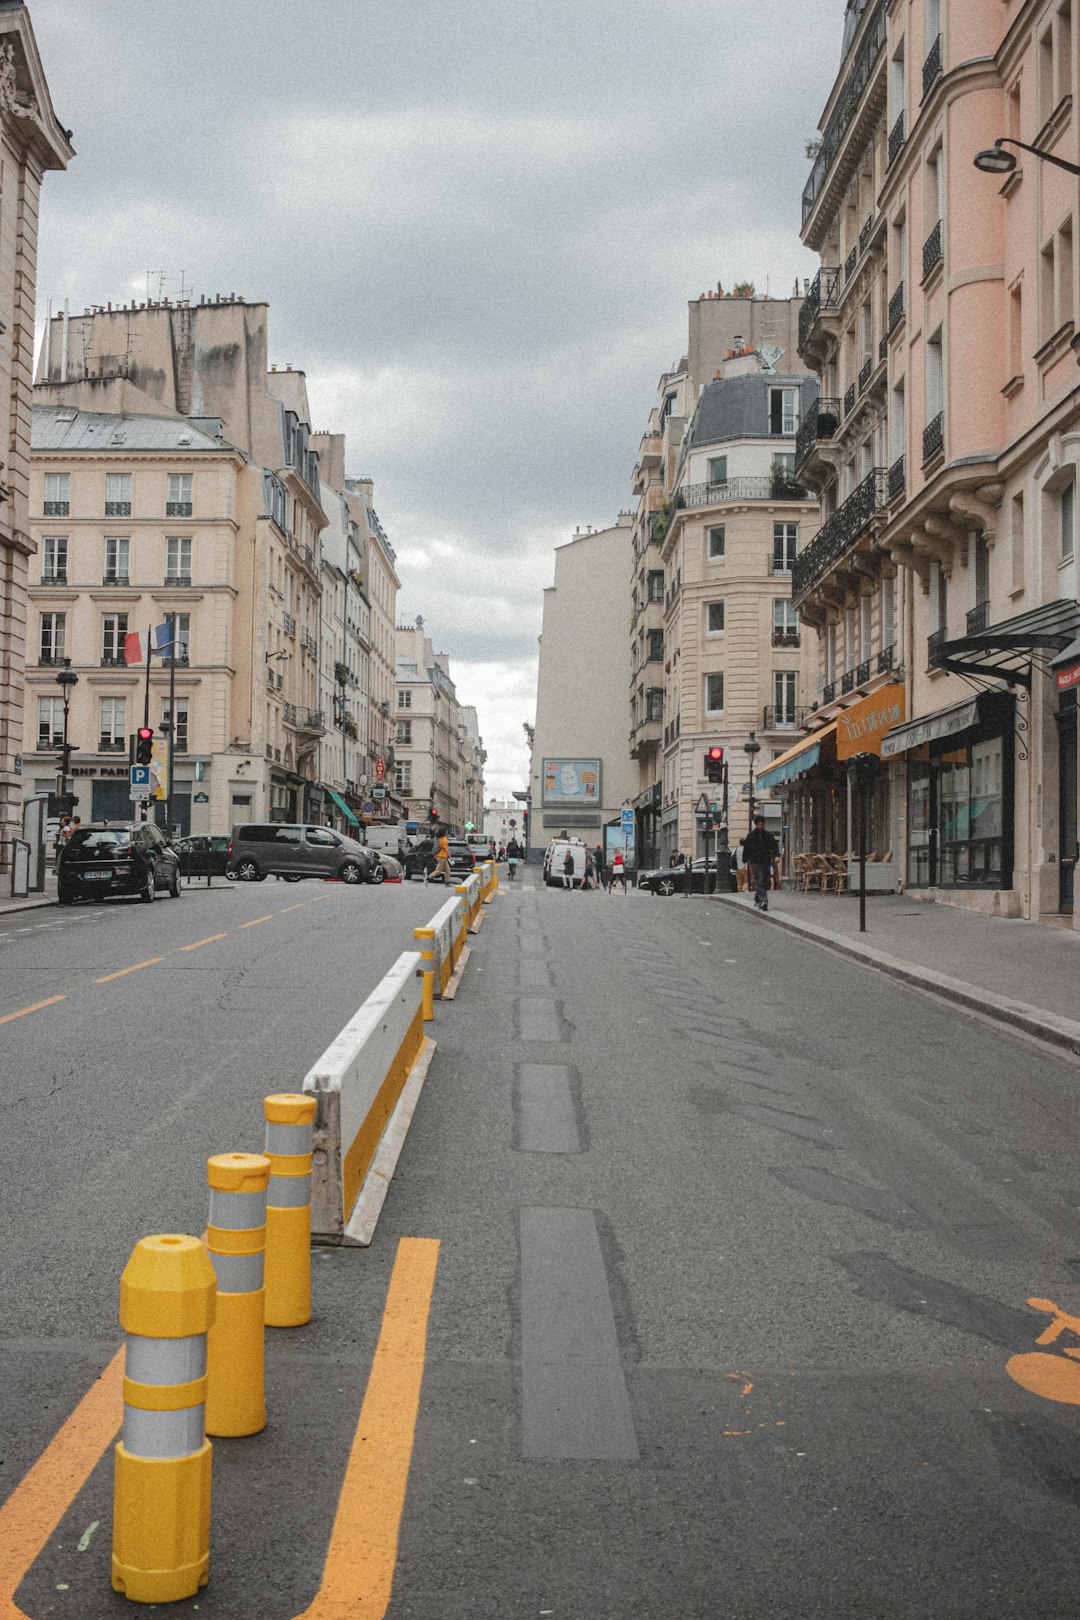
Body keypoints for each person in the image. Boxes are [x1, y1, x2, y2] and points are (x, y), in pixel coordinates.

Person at [742, 814, 781, 911]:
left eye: (761, 824)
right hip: (755, 861)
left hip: (765, 860)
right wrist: (745, 860)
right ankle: (764, 901)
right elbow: (746, 849)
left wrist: (776, 855)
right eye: (758, 824)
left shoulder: (768, 835)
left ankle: (757, 899)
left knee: (764, 880)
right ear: (756, 825)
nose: (760, 826)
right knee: (759, 879)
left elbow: (774, 846)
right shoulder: (751, 836)